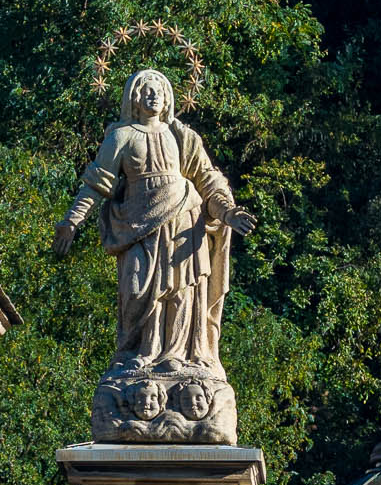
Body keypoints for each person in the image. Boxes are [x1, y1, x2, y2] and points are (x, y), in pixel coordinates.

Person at [55, 67, 254, 382]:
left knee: (180, 292)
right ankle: (138, 354)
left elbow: (208, 181)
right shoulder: (121, 136)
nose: (154, 95)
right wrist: (72, 221)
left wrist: (228, 212)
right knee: (136, 289)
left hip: (183, 220)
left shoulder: (182, 136)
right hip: (137, 226)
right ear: (134, 98)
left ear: (169, 99)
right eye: (147, 90)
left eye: (160, 91)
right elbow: (96, 184)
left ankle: (176, 355)